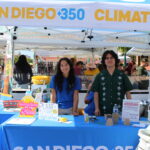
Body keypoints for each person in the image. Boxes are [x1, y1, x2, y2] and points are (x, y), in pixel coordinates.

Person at [91, 50, 133, 116]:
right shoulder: (99, 76)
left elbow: (128, 93)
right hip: (103, 111)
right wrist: (96, 108)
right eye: (107, 58)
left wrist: (130, 108)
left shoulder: (122, 75)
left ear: (115, 60)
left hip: (120, 111)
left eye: (111, 58)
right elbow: (96, 93)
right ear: (104, 61)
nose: (109, 60)